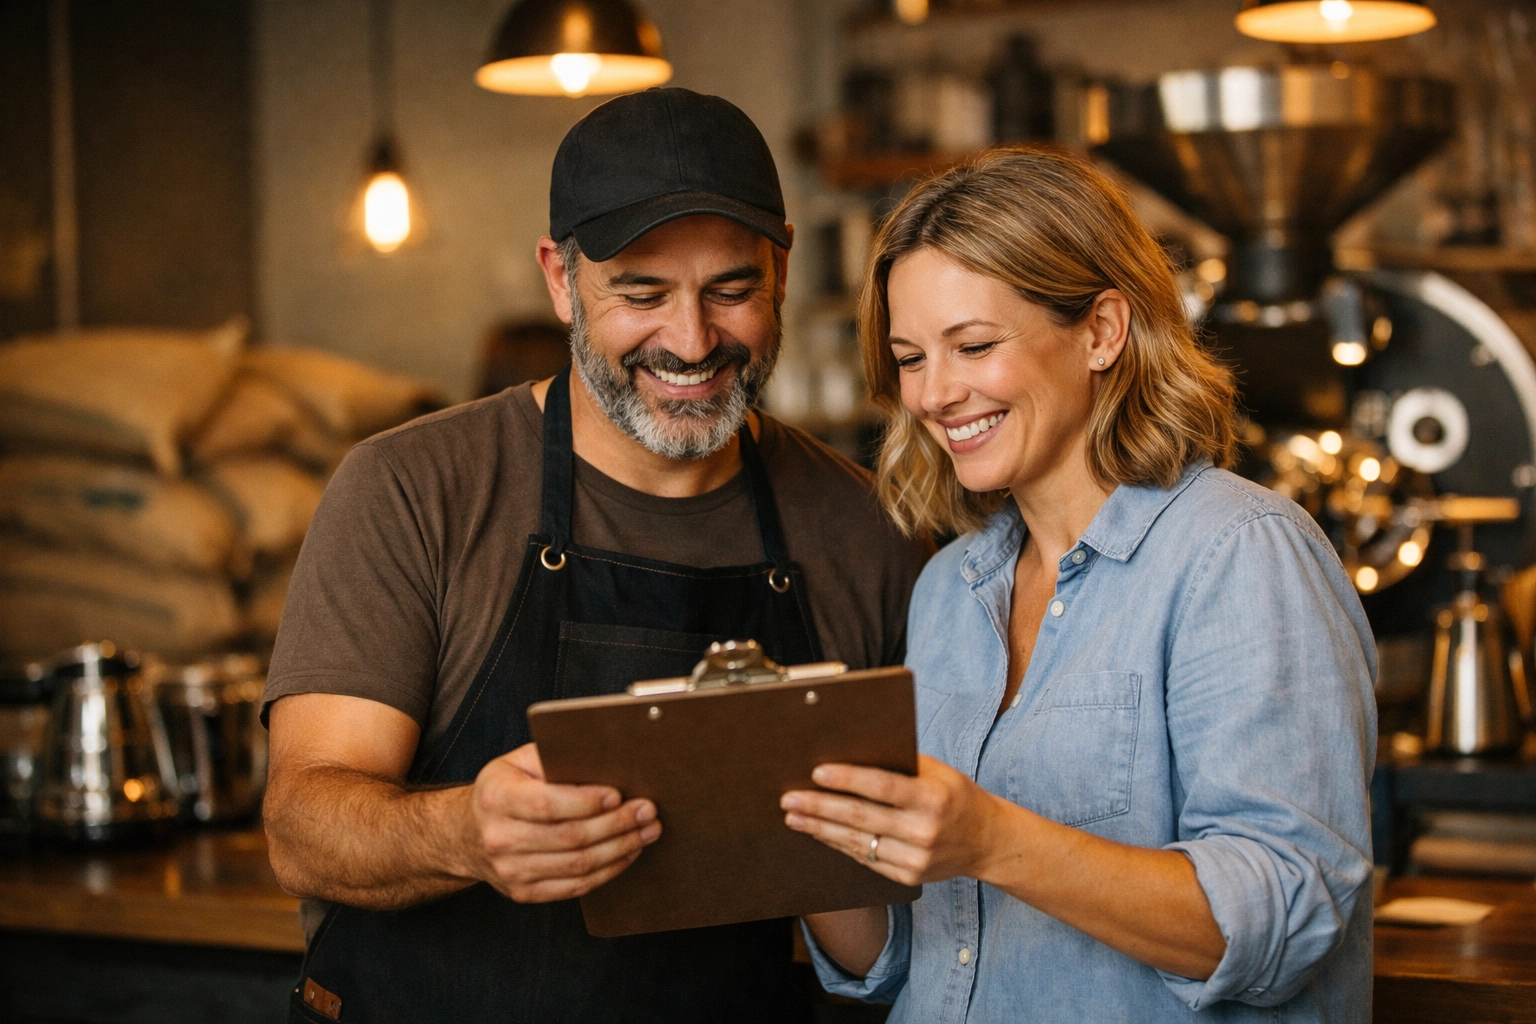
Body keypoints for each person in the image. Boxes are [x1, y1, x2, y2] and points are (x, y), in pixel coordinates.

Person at [260, 88, 929, 1024]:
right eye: (642, 293)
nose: (691, 341)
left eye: (731, 289)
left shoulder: (864, 531)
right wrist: (464, 833)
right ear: (562, 279)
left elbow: (896, 899)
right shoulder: (412, 489)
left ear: (781, 268)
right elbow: (301, 828)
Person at [782, 148, 1377, 1022]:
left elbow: (1287, 917)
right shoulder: (951, 587)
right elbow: (913, 956)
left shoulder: (1238, 553)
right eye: (911, 358)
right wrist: (795, 833)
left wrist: (992, 839)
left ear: (1102, 330)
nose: (935, 394)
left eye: (973, 346)